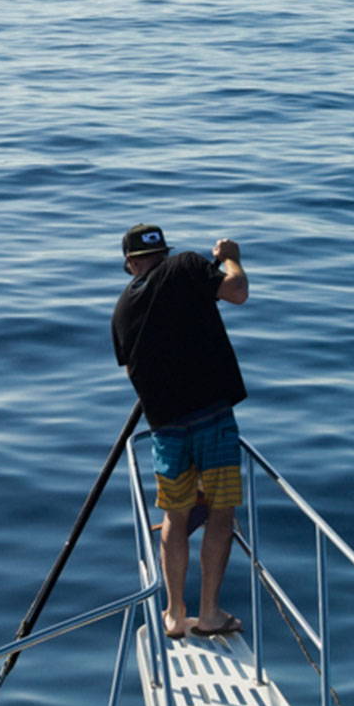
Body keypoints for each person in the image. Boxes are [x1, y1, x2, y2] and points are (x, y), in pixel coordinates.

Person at [111, 223, 249, 640]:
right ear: (164, 253)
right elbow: (237, 291)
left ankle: (174, 614)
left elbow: (132, 368)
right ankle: (209, 614)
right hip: (214, 419)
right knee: (222, 514)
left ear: (131, 264)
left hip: (167, 429)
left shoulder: (122, 309)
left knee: (175, 516)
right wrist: (231, 256)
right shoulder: (187, 265)